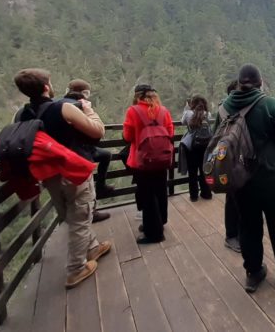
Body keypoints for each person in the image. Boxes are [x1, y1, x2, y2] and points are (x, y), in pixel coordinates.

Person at [13, 68, 111, 289]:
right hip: (73, 170)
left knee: (71, 213)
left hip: (48, 175)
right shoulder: (63, 108)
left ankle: (92, 247)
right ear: (47, 86)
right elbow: (97, 131)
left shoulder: (21, 115)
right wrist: (89, 110)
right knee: (81, 212)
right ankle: (76, 268)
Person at [218, 64, 275, 292]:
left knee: (248, 226)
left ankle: (254, 272)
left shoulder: (223, 108)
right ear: (260, 83)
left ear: (239, 83)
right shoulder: (270, 104)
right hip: (270, 178)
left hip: (240, 181)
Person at [123, 84, 175, 244]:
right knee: (160, 190)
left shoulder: (133, 111)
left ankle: (154, 233)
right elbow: (171, 133)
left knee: (147, 195)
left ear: (138, 96)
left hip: (142, 160)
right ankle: (160, 221)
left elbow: (128, 136)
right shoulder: (163, 111)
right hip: (162, 158)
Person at [61, 79, 113, 223]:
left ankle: (100, 189)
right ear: (85, 93)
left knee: (106, 155)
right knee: (84, 187)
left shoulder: (60, 104)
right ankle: (91, 211)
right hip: (79, 151)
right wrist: (90, 111)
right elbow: (97, 130)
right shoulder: (78, 106)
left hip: (75, 150)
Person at [222, 80, 242, 253]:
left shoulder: (245, 109)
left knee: (241, 199)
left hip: (242, 161)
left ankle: (240, 234)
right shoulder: (225, 110)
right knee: (232, 199)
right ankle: (231, 235)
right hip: (230, 160)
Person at [181, 95, 212, 201]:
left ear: (192, 104)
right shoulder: (207, 114)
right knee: (204, 171)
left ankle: (194, 196)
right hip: (205, 146)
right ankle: (207, 194)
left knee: (192, 172)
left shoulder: (188, 114)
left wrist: (186, 109)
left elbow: (182, 122)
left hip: (192, 147)